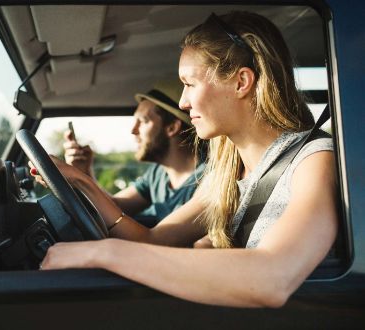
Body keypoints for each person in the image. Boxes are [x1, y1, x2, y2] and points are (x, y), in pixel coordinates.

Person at [31, 11, 338, 307]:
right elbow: (152, 241)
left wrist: (104, 253)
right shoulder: (225, 175)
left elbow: (273, 278)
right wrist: (81, 181)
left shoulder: (312, 160)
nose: (182, 101)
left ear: (241, 82)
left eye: (189, 84)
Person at [63, 79, 206, 226]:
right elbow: (114, 206)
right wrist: (83, 171)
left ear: (171, 127)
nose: (133, 130)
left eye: (143, 121)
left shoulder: (208, 180)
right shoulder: (158, 174)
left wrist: (78, 178)